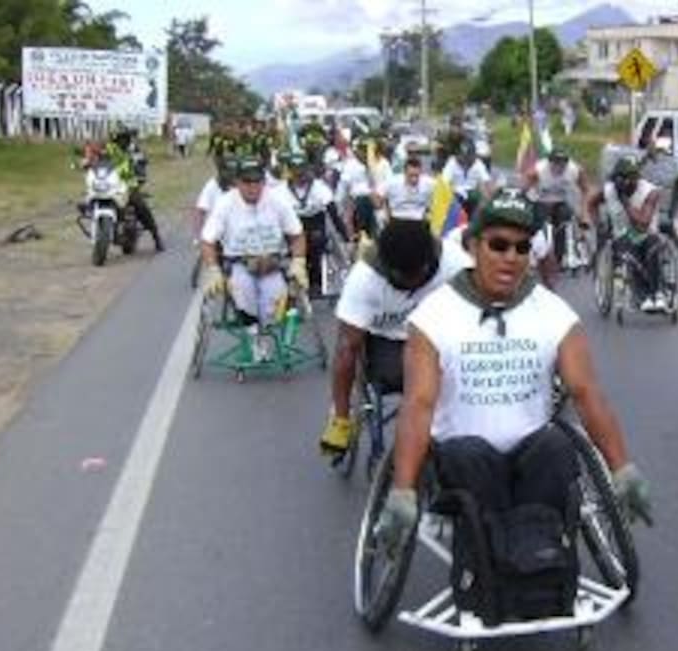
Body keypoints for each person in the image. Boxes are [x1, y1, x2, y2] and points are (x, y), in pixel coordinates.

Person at [372, 189, 652, 569]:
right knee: (472, 455)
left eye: (522, 248)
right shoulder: (433, 317)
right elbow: (418, 404)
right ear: (473, 246)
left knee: (557, 447)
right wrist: (403, 490)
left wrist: (622, 469)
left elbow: (586, 392)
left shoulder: (553, 313)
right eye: (499, 244)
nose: (511, 257)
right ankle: (494, 567)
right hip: (460, 460)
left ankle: (538, 565)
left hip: (531, 458)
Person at [319, 218, 473, 459]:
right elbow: (347, 348)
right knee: (358, 351)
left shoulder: (456, 263)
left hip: (440, 339)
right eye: (403, 277)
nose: (411, 285)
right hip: (388, 343)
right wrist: (342, 414)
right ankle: (341, 420)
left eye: (417, 276)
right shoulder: (364, 278)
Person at [199, 156, 308, 363]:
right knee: (243, 292)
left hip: (272, 262)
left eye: (257, 181)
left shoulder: (277, 201)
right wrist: (213, 269)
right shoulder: (225, 203)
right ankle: (253, 335)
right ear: (237, 182)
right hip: (238, 262)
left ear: (263, 181)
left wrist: (298, 262)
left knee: (274, 299)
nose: (252, 187)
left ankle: (264, 333)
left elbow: (297, 235)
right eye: (247, 182)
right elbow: (207, 240)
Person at [587, 156, 668, 311]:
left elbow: (643, 224)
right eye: (620, 179)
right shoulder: (609, 190)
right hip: (621, 236)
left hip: (648, 234)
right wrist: (598, 225)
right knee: (629, 252)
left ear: (636, 178)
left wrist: (625, 202)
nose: (624, 183)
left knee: (652, 247)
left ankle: (657, 293)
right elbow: (591, 203)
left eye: (629, 178)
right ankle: (643, 295)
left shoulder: (650, 192)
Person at [284, 153, 352, 299]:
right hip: (292, 226)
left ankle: (316, 282)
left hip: (314, 225)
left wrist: (345, 237)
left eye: (302, 170)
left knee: (316, 240)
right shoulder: (280, 190)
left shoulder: (319, 187)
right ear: (289, 171)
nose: (299, 175)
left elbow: (333, 214)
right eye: (295, 170)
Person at [525, 146, 592, 269]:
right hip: (540, 201)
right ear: (549, 162)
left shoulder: (574, 170)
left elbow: (586, 189)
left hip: (560, 202)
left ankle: (560, 257)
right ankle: (536, 253)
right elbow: (524, 191)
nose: (559, 166)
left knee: (564, 219)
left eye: (563, 163)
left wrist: (584, 213)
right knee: (539, 223)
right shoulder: (537, 171)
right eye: (556, 163)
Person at [105, 124, 164, 251]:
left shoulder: (133, 149)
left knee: (141, 206)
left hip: (129, 185)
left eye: (125, 138)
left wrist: (140, 167)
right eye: (119, 138)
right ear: (114, 139)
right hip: (110, 184)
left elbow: (141, 161)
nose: (122, 141)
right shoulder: (109, 148)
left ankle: (156, 236)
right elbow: (98, 158)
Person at [338, 137, 379, 239]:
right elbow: (343, 187)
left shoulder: (374, 164)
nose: (364, 152)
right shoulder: (350, 165)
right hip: (357, 203)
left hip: (374, 203)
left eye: (366, 150)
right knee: (359, 235)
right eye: (362, 149)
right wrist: (342, 208)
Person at [440, 141, 493, 218]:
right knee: (453, 201)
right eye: (463, 156)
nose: (465, 160)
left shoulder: (478, 163)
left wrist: (488, 198)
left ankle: (475, 221)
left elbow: (486, 182)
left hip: (472, 194)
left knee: (479, 199)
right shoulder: (452, 162)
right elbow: (444, 182)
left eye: (468, 157)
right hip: (455, 194)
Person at [384, 154, 435, 222]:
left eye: (416, 176)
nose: (414, 179)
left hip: (419, 220)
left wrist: (429, 212)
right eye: (411, 176)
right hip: (397, 218)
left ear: (421, 172)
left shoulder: (429, 183)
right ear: (404, 173)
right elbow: (378, 196)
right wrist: (386, 214)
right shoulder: (392, 182)